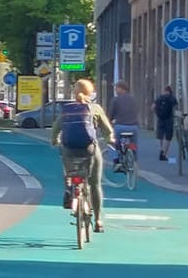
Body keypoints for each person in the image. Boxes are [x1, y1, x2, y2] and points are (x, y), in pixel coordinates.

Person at [52, 78, 116, 232]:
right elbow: (107, 129)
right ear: (90, 92)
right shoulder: (94, 108)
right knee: (95, 184)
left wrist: (55, 140)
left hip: (69, 150)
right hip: (89, 150)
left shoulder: (67, 109)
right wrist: (109, 139)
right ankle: (99, 220)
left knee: (67, 166)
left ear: (74, 92)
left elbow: (56, 129)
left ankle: (68, 189)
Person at [107, 80, 141, 169]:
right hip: (134, 127)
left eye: (117, 88)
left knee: (116, 142)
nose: (115, 90)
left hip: (120, 127)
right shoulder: (134, 99)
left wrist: (109, 123)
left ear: (122, 89)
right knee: (133, 143)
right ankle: (134, 161)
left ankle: (117, 160)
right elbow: (137, 112)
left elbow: (111, 115)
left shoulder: (116, 100)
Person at [155, 84, 178, 161]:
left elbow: (153, 107)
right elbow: (175, 109)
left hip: (160, 119)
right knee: (168, 137)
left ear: (164, 90)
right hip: (169, 119)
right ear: (170, 91)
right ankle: (164, 154)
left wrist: (158, 113)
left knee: (160, 136)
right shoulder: (172, 98)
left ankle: (161, 150)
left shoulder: (159, 98)